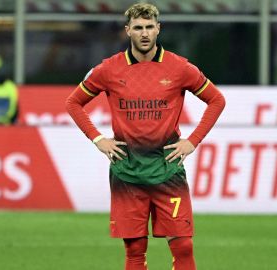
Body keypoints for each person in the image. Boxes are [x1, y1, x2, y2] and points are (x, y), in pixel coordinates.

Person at [65, 3, 225, 270]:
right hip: (127, 172)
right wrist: (97, 139)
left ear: (158, 29)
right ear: (127, 31)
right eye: (138, 28)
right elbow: (73, 103)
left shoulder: (180, 68)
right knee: (135, 250)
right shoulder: (108, 69)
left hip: (167, 169)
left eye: (150, 27)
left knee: (183, 246)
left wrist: (192, 141)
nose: (144, 33)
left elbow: (216, 100)